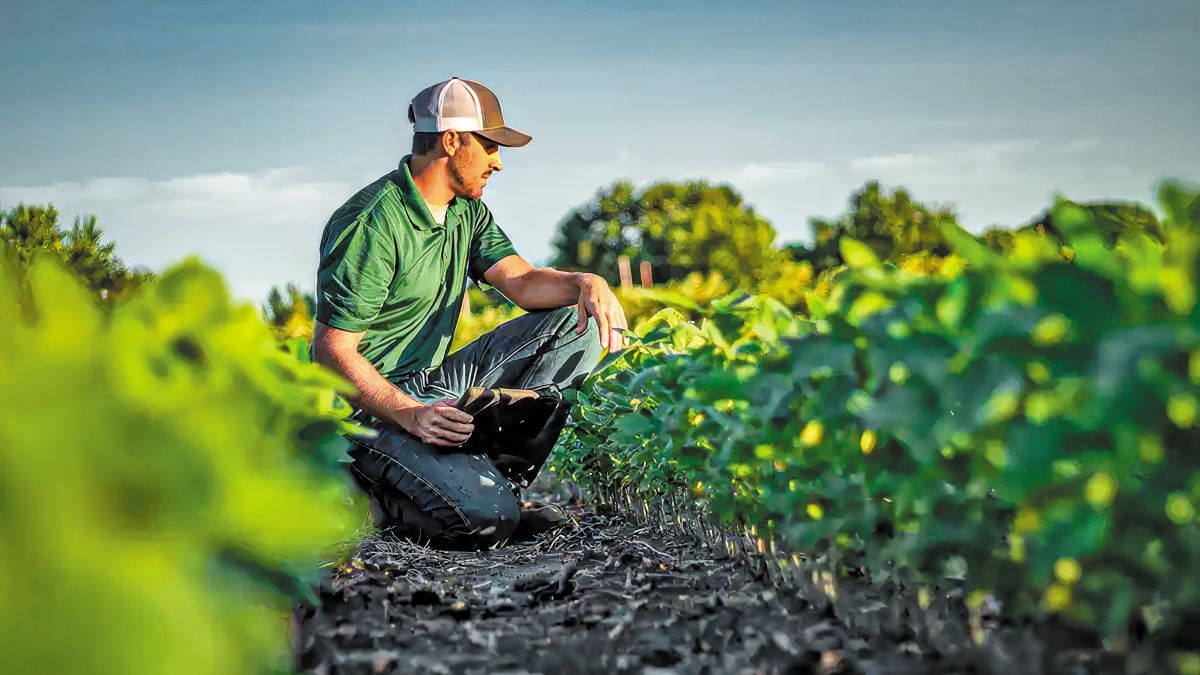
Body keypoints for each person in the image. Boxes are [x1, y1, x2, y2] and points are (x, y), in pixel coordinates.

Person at [312, 76, 628, 549]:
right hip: (368, 410)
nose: (498, 162)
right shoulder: (372, 222)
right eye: (490, 146)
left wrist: (586, 283)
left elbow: (522, 281)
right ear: (451, 140)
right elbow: (331, 353)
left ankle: (493, 486)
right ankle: (367, 497)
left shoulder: (467, 212)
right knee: (485, 523)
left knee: (573, 323)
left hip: (431, 384)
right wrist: (411, 414)